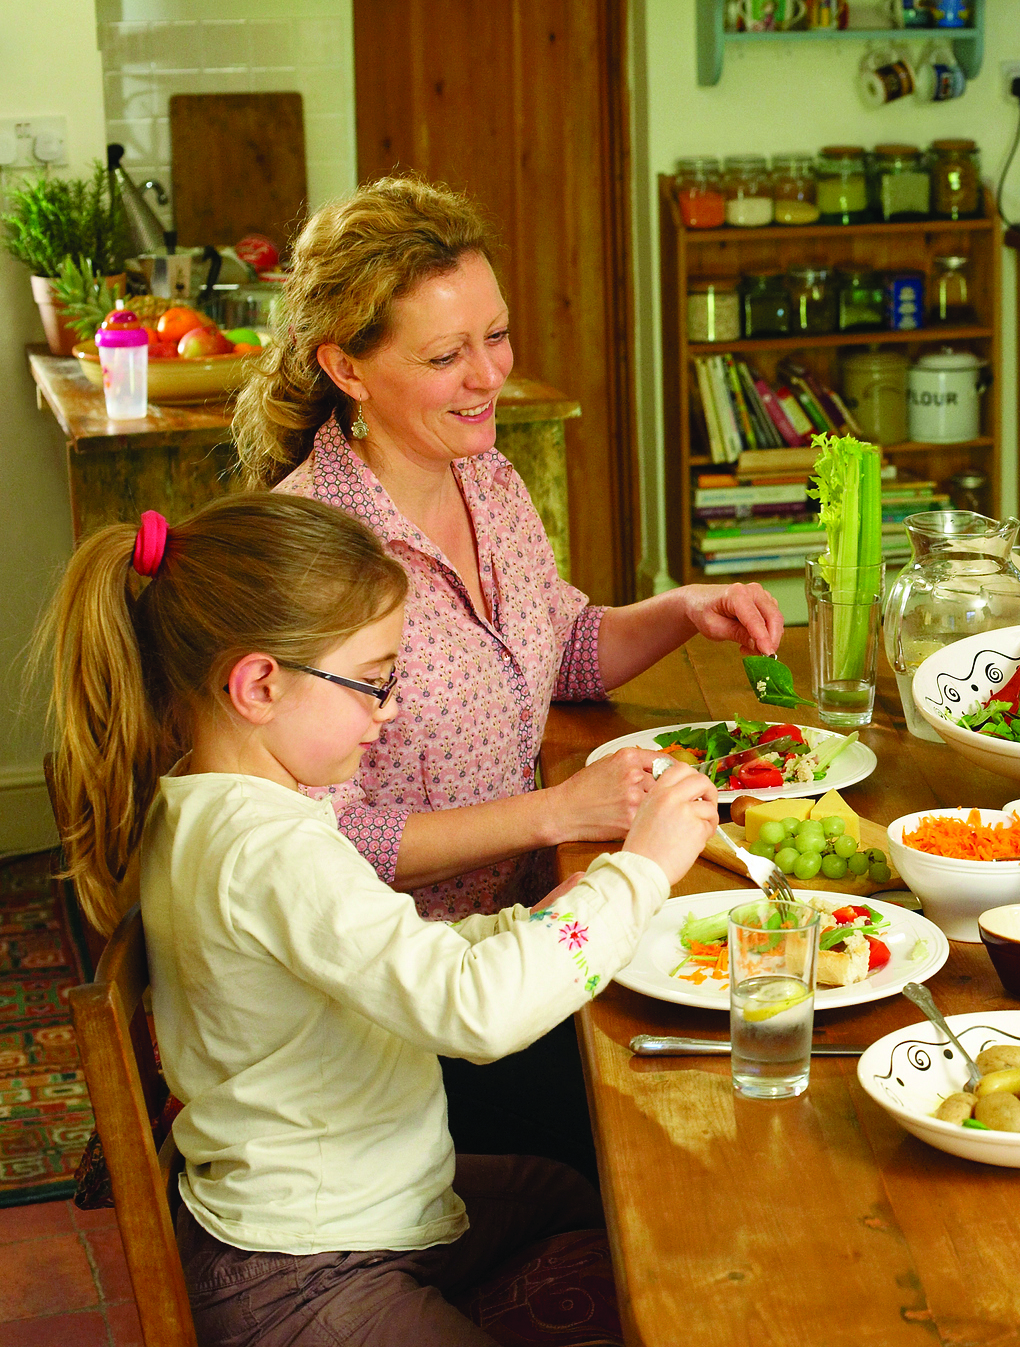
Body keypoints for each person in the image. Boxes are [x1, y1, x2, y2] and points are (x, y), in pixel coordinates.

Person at [40, 495, 717, 1344]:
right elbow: (473, 1012)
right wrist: (642, 869)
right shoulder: (269, 851)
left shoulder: (217, 802)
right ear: (259, 684)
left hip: (371, 1204)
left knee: (581, 1196)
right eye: (373, 680)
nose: (388, 709)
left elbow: (388, 955)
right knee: (614, 1213)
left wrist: (530, 925)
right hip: (301, 1276)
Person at [227, 175, 778, 1179]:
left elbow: (555, 650)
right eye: (445, 355)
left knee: (764, 1016)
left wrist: (681, 612)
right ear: (345, 366)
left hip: (537, 931)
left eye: (497, 335)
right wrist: (553, 813)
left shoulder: (485, 473)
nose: (488, 375)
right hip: (416, 1016)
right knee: (708, 1121)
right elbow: (324, 840)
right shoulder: (316, 555)